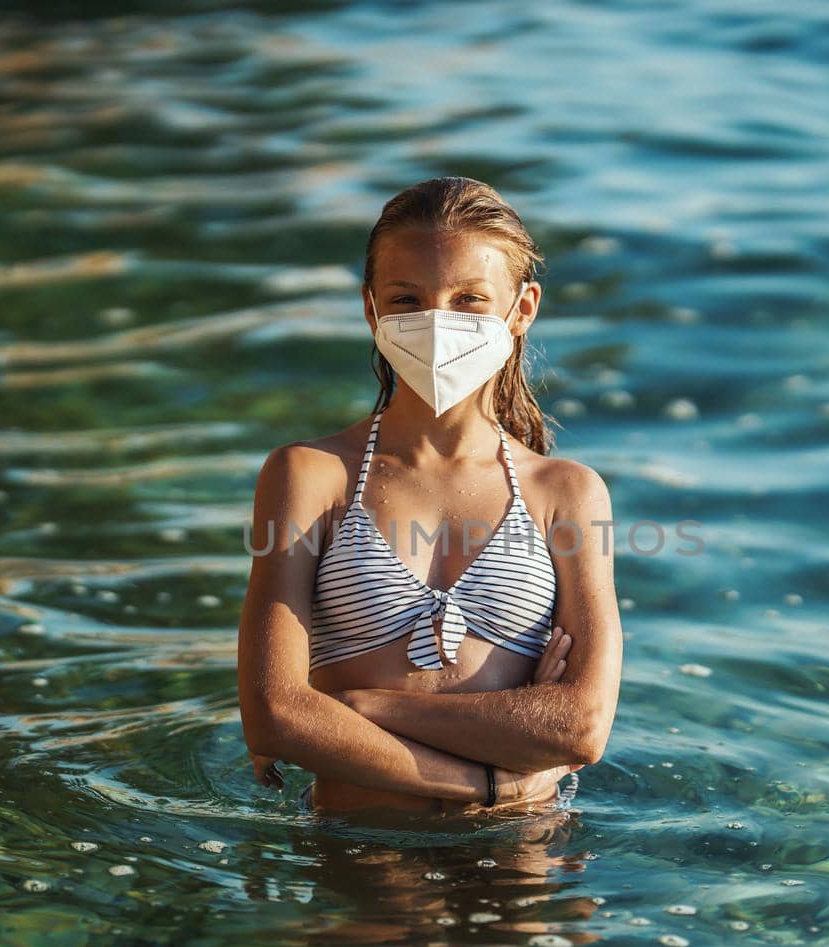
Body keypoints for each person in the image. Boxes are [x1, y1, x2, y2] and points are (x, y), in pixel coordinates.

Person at [236, 176, 622, 815]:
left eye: (469, 299)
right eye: (407, 299)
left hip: (523, 851)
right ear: (371, 309)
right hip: (361, 853)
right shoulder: (310, 476)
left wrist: (362, 707)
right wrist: (490, 783)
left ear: (522, 309)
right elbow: (274, 713)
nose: (437, 322)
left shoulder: (565, 493)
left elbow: (581, 728)